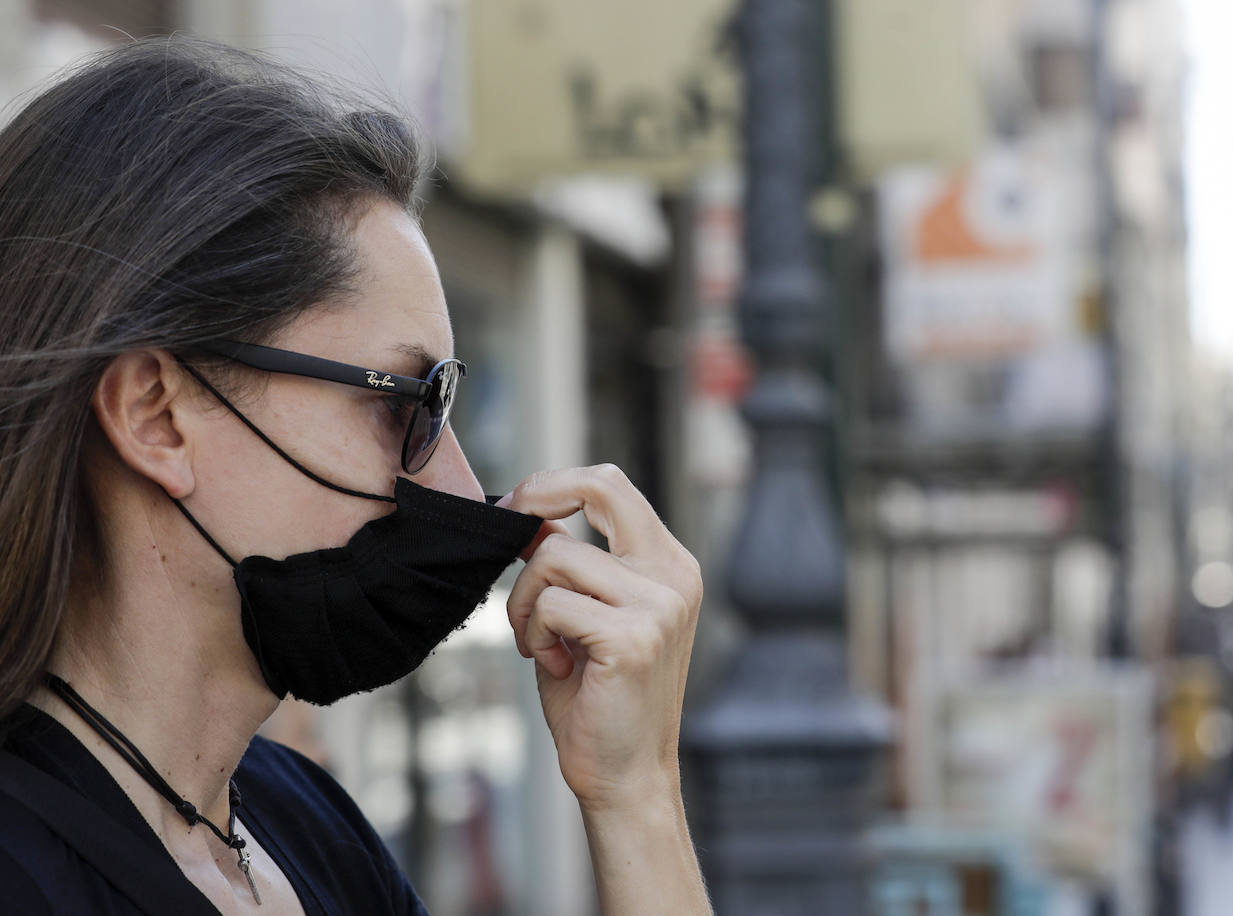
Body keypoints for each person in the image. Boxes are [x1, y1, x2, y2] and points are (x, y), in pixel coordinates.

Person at [0, 36, 709, 915]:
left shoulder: (310, 831)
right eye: (405, 405)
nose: (457, 487)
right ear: (156, 413)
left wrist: (635, 795)